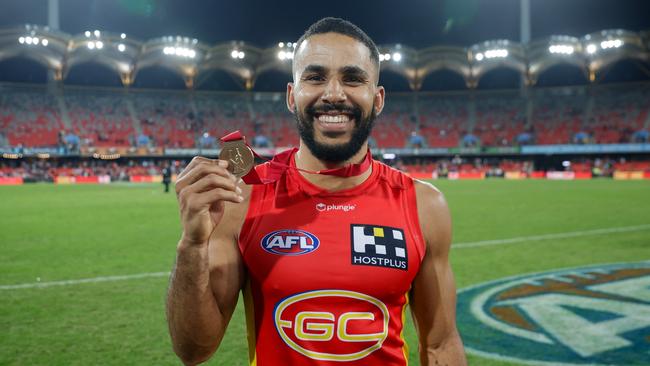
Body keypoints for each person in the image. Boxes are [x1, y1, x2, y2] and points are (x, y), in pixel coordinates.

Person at [166, 17, 466, 366]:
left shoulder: (423, 204)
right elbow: (194, 349)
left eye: (353, 78)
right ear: (292, 96)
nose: (334, 94)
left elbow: (441, 345)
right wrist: (191, 245)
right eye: (315, 77)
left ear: (378, 98)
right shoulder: (241, 199)